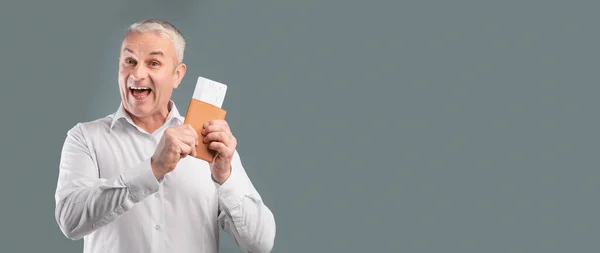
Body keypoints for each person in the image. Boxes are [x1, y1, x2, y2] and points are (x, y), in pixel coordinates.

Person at [54, 19, 276, 253]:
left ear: (177, 75)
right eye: (130, 61)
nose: (138, 74)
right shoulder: (85, 138)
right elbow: (70, 221)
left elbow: (260, 244)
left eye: (154, 63)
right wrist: (152, 169)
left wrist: (225, 176)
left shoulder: (210, 141)